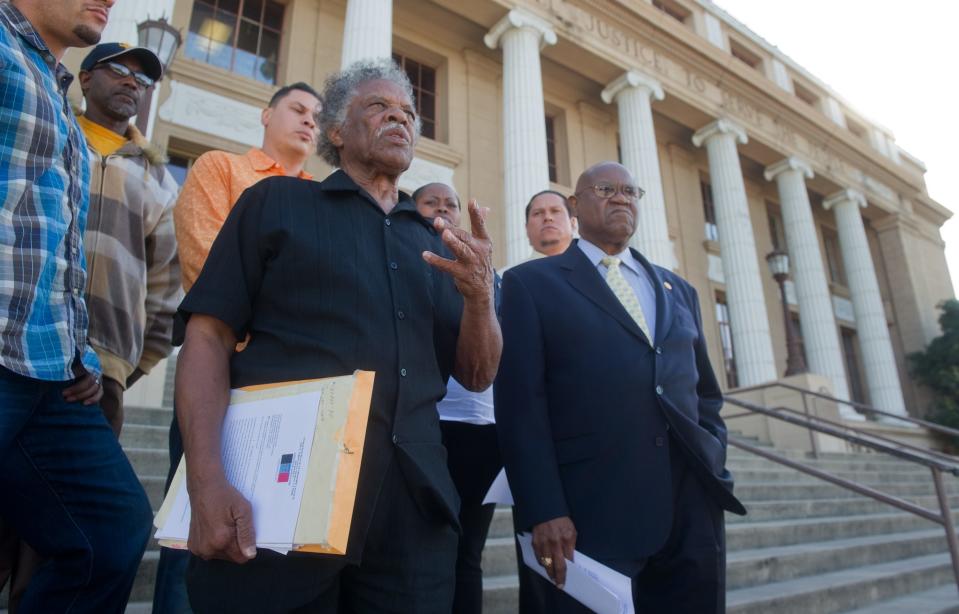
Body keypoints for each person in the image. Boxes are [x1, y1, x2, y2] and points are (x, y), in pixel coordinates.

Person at [176, 59, 500, 612]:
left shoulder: (437, 244)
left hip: (413, 512)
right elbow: (207, 335)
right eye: (378, 107)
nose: (399, 118)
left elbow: (476, 373)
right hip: (284, 502)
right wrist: (205, 482)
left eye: (408, 113)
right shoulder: (274, 203)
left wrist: (479, 297)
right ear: (335, 131)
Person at [495, 161, 746, 613]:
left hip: (689, 510)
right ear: (575, 206)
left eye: (631, 192)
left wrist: (712, 458)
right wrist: (543, 508)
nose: (621, 198)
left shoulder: (678, 290)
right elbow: (520, 408)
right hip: (589, 514)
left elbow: (704, 393)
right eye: (606, 189)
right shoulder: (529, 285)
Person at [0, 1, 154, 612]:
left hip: (55, 375)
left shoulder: (53, 90)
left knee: (112, 533)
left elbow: (50, 239)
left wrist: (80, 350)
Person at [152, 80, 322, 614]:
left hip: (304, 393)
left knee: (281, 547)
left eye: (318, 116)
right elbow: (209, 272)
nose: (309, 121)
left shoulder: (324, 199)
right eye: (297, 109)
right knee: (194, 540)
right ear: (265, 115)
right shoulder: (220, 169)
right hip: (222, 376)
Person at [77, 42, 182, 435]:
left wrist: (122, 368)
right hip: (19, 349)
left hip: (103, 376)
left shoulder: (161, 183)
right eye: (118, 71)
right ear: (85, 79)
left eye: (141, 79)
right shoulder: (51, 139)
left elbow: (166, 291)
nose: (132, 83)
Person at [413, 182, 502, 614]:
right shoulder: (407, 264)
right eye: (432, 203)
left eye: (451, 204)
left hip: (480, 431)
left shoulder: (485, 271)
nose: (444, 210)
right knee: (420, 548)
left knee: (467, 555)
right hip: (425, 427)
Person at [525, 189, 576, 257]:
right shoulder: (514, 268)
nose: (548, 217)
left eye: (556, 211)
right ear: (527, 228)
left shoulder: (591, 266)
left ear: (572, 223)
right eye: (537, 213)